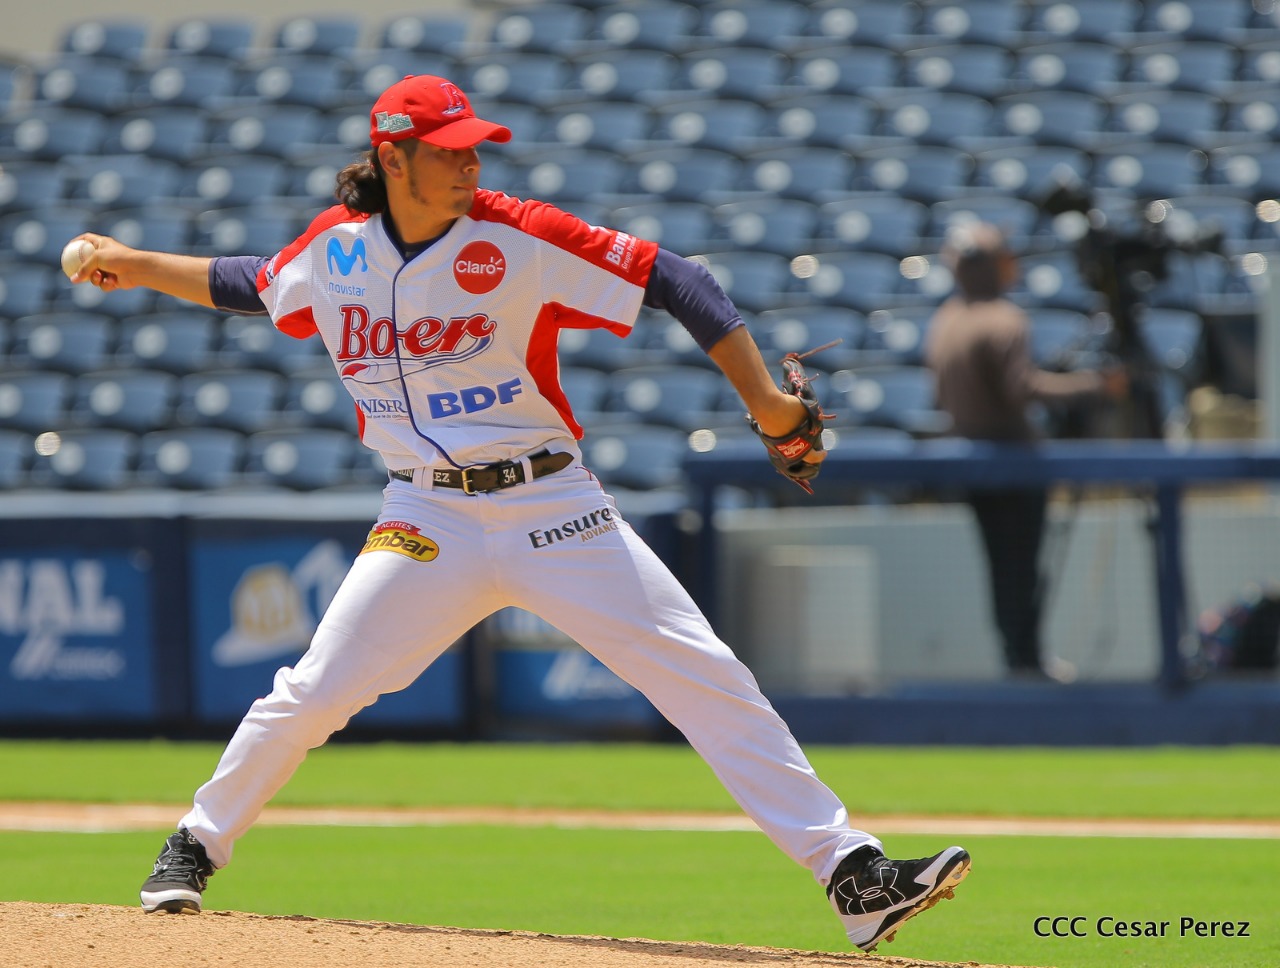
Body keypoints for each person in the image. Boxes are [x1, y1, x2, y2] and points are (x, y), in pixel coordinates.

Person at [65, 74, 969, 953]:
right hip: (426, 516)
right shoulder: (336, 247)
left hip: (554, 505)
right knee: (315, 688)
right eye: (449, 152)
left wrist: (769, 405)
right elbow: (250, 282)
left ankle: (852, 874)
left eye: (474, 149)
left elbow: (677, 278)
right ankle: (194, 843)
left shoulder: (518, 234)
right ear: (393, 156)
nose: (470, 166)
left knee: (704, 675)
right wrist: (132, 263)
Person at [925, 222, 1128, 680]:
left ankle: (1017, 656)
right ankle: (1027, 661)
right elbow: (1023, 388)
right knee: (1021, 569)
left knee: (1003, 569)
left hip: (972, 466)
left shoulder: (944, 321)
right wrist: (1095, 386)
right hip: (1015, 463)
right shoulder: (1004, 319)